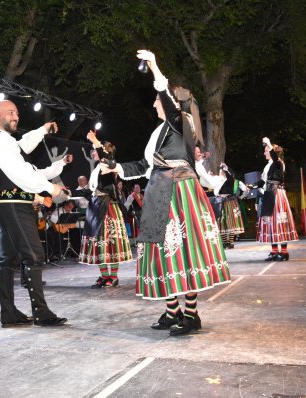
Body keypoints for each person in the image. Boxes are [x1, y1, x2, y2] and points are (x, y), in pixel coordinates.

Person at [101, 50, 230, 336]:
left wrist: (155, 66)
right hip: (159, 187)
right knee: (161, 251)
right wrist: (115, 166)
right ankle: (173, 311)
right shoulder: (158, 131)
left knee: (181, 249)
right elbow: (144, 165)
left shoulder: (180, 121)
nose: (154, 102)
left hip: (178, 189)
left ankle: (191, 315)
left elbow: (168, 100)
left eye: (158, 99)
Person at [0, 99, 71, 328]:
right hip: (12, 204)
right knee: (34, 255)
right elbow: (21, 172)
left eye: (17, 113)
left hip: (8, 204)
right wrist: (51, 189)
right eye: (10, 112)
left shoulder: (4, 141)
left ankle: (9, 313)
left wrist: (43, 130)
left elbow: (24, 147)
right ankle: (40, 313)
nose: (15, 116)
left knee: (5, 260)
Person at [79, 130, 132, 288]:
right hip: (96, 205)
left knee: (110, 241)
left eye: (97, 150)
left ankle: (113, 277)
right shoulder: (96, 168)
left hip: (107, 206)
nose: (94, 152)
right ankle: (104, 275)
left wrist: (95, 141)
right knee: (98, 243)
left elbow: (106, 157)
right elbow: (95, 189)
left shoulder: (108, 165)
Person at [257, 137, 298, 261]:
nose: (264, 152)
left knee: (280, 221)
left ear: (271, 151)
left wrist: (268, 143)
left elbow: (275, 158)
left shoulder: (278, 162)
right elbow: (262, 182)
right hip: (268, 193)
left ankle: (284, 252)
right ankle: (274, 252)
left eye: (266, 150)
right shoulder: (268, 166)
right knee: (271, 222)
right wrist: (250, 188)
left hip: (277, 194)